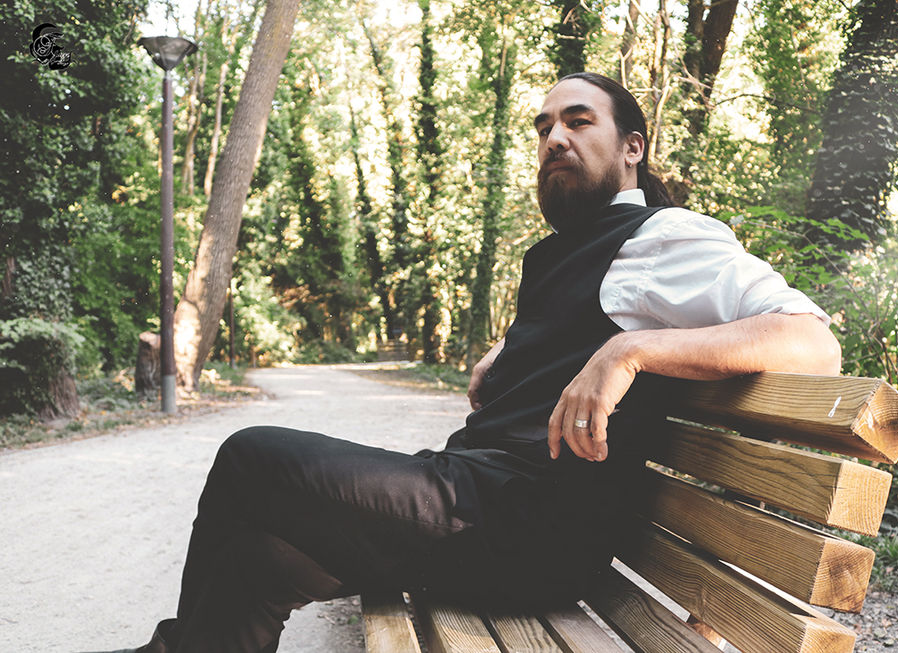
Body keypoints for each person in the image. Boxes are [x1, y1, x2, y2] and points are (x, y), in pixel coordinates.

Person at [93, 72, 840, 653]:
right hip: (482, 507)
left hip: (518, 531)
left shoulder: (664, 234)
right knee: (253, 562)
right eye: (544, 126)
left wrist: (632, 349)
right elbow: (595, 310)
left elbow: (813, 342)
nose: (554, 136)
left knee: (252, 456)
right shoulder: (576, 254)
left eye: (579, 121)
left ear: (632, 148)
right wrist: (512, 354)